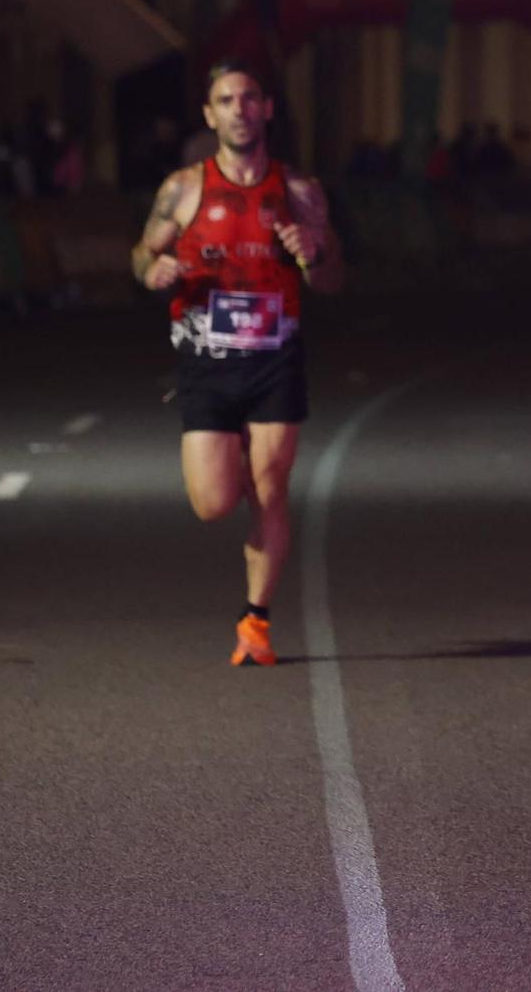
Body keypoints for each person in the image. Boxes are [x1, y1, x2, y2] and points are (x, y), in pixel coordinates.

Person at [130, 61, 343, 667]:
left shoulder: (301, 190)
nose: (240, 109)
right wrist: (153, 270)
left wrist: (316, 253)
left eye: (250, 98)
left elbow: (332, 278)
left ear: (268, 108)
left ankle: (256, 622)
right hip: (205, 361)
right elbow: (140, 255)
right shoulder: (182, 188)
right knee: (214, 502)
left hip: (276, 358)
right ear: (210, 114)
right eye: (227, 100)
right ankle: (244, 472)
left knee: (273, 490)